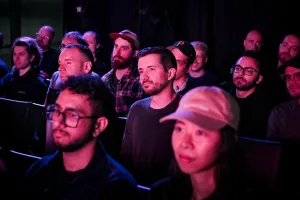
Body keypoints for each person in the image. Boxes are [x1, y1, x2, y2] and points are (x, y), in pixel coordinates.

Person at [19, 75, 140, 200]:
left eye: (72, 115)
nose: (59, 121)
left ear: (98, 126)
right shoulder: (38, 172)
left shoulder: (118, 188)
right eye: (57, 110)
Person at [150, 86, 243, 200]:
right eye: (179, 129)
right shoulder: (161, 193)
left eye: (200, 132)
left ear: (228, 139)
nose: (185, 143)